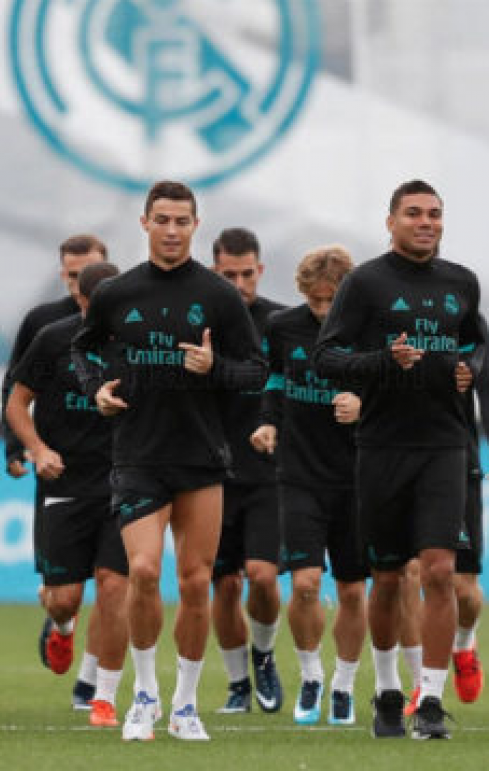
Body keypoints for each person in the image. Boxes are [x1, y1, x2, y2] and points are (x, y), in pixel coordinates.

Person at [71, 181, 267, 742]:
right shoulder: (117, 292)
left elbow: (255, 371)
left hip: (201, 456)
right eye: (163, 219)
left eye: (183, 220)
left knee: (196, 582)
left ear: (195, 225)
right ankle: (145, 696)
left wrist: (215, 369)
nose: (173, 230)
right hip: (136, 454)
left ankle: (185, 705)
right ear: (145, 223)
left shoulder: (220, 296)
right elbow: (83, 350)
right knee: (145, 571)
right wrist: (96, 391)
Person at [314, 179, 482, 740]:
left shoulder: (462, 283)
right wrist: (382, 361)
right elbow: (327, 358)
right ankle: (386, 689)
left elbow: (477, 347)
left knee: (439, 570)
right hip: (382, 446)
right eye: (414, 213)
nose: (426, 222)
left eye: (434, 213)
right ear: (391, 222)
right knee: (387, 581)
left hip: (444, 446)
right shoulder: (365, 283)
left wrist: (471, 368)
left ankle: (428, 701)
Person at [6, 261, 128, 728]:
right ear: (81, 300)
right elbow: (17, 402)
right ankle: (61, 628)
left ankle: (103, 693)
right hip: (66, 481)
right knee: (64, 597)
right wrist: (37, 449)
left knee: (115, 585)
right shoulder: (54, 339)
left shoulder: (138, 344)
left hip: (125, 480)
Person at [251, 246, 367, 725]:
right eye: (316, 301)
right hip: (299, 475)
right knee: (304, 584)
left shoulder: (369, 331)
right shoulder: (283, 327)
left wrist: (364, 404)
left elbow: (394, 391)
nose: (323, 311)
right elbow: (274, 380)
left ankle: (343, 683)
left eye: (332, 301)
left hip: (359, 477)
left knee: (355, 592)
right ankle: (312, 674)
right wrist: (267, 422)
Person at [399, 313, 489, 714]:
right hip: (397, 460)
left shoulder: (464, 313)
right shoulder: (382, 307)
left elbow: (488, 388)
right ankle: (421, 684)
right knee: (409, 574)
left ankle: (465, 644)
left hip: (455, 463)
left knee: (462, 588)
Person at [209, 228, 287, 714]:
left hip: (267, 473)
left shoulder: (281, 322)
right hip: (211, 474)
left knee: (261, 576)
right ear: (216, 273)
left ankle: (262, 654)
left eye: (246, 273)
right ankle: (237, 682)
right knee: (223, 583)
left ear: (260, 270)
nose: (239, 283)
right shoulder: (199, 324)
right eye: (228, 275)